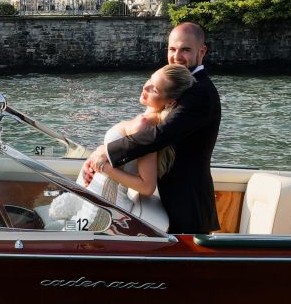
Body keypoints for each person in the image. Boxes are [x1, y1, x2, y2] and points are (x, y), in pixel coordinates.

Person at [82, 22, 221, 234]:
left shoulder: (200, 92)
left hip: (187, 204)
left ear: (202, 51)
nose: (177, 56)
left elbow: (159, 135)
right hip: (167, 197)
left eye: (185, 49)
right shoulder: (176, 82)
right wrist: (99, 153)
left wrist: (107, 154)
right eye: (172, 49)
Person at [59, 63, 192, 232]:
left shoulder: (144, 126)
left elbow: (147, 186)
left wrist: (103, 167)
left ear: (170, 102)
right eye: (150, 80)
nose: (146, 86)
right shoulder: (145, 120)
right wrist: (97, 155)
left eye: (155, 90)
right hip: (94, 202)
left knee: (47, 240)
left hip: (102, 211)